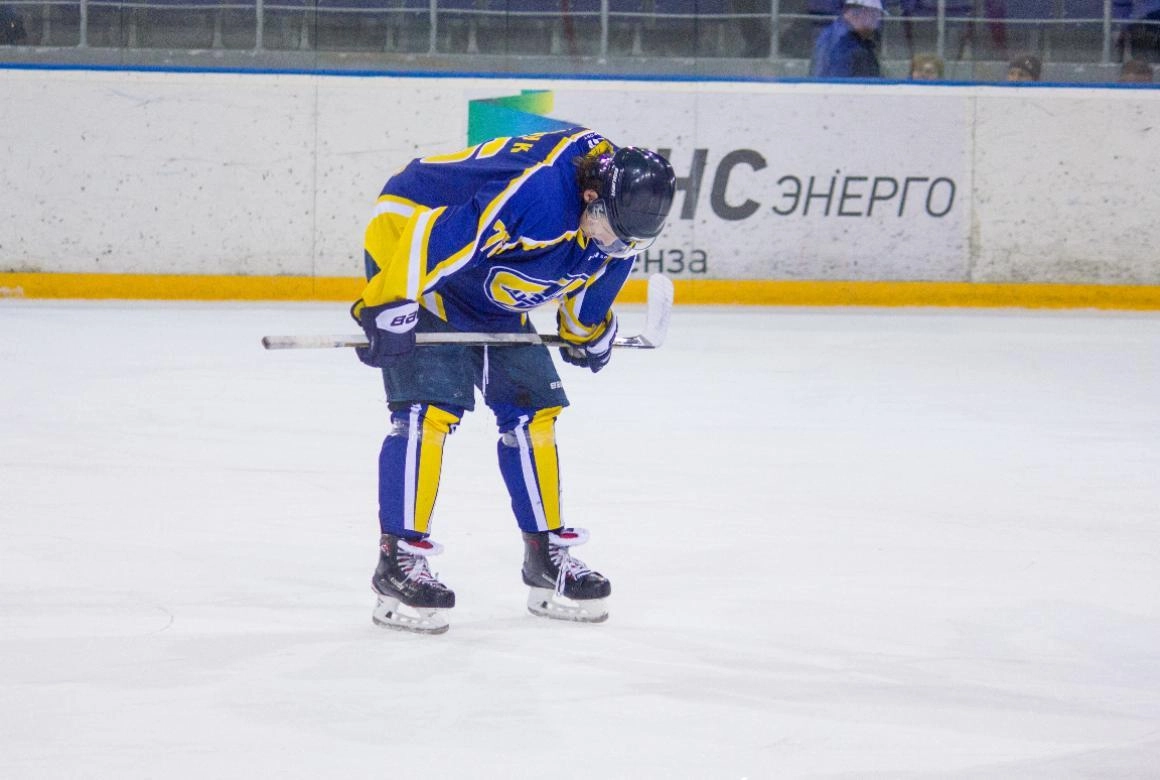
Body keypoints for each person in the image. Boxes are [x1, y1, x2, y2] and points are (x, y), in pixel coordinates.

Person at [349, 127, 676, 634]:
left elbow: (584, 308)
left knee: (533, 409)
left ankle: (545, 556)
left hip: (487, 274)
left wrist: (591, 336)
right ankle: (398, 561)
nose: (616, 244)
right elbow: (435, 238)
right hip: (414, 236)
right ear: (591, 194)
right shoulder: (543, 195)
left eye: (628, 240)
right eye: (611, 230)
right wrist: (388, 305)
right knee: (429, 405)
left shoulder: (619, 226)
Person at [810, 0, 887, 78]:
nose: (876, 25)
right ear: (865, 13)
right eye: (875, 16)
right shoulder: (852, 48)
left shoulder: (829, 33)